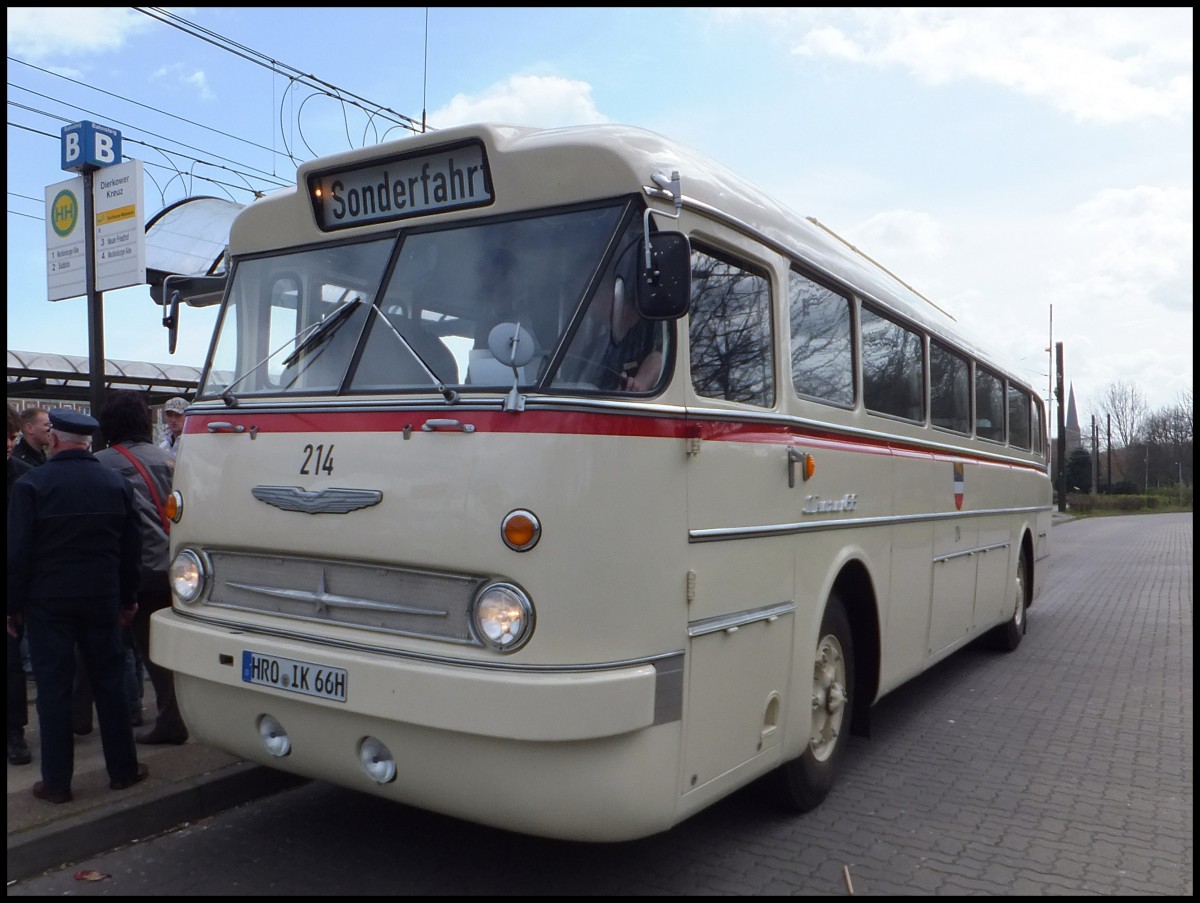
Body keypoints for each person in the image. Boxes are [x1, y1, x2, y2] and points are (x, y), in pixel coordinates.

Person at [7, 408, 148, 804]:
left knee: (52, 690)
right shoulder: (115, 483)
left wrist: (12, 606)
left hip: (48, 602)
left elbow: (17, 554)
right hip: (102, 598)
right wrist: (128, 597)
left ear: (53, 440)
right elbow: (130, 548)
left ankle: (57, 783)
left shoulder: (32, 484)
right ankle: (123, 771)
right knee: (110, 683)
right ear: (88, 443)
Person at [95, 390, 188, 745]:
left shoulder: (103, 463)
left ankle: (164, 722)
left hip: (133, 572)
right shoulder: (168, 460)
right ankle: (175, 714)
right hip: (173, 568)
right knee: (169, 650)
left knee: (136, 651)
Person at [7, 403, 34, 765]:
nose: (9, 442)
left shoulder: (24, 477)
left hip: (13, 586)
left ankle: (14, 732)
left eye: (11, 436)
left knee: (11, 666)